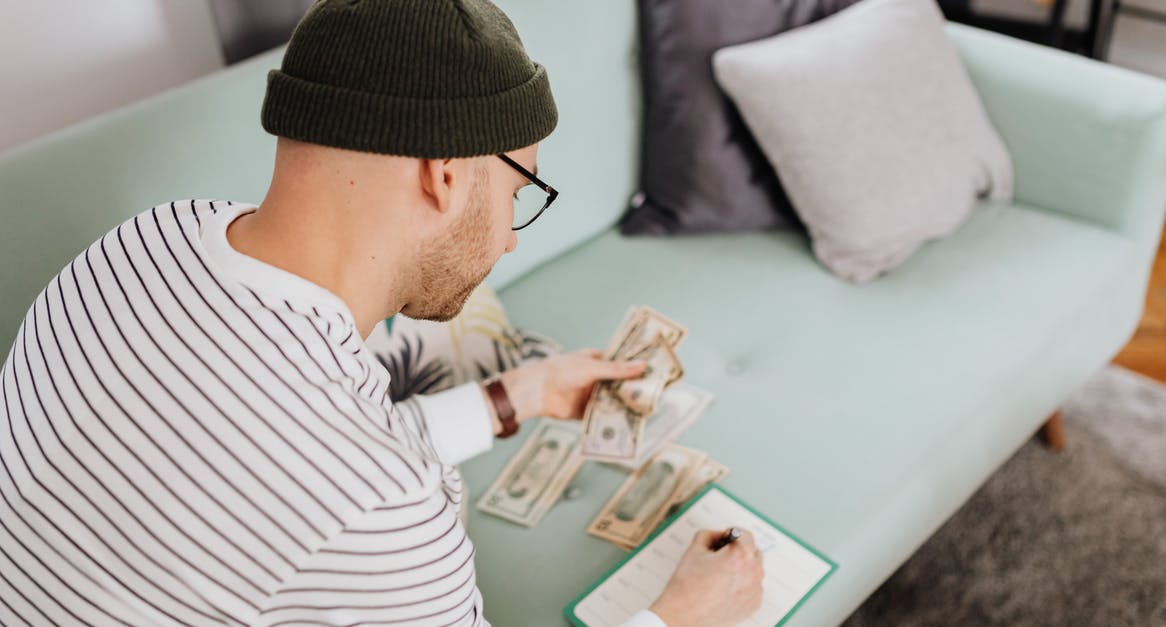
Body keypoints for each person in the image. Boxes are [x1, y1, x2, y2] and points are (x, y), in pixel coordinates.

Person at [0, 0, 764, 625]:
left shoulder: (138, 243)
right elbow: (349, 485)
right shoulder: (384, 512)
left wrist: (513, 396)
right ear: (444, 174)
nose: (504, 238)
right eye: (517, 194)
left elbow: (304, 462)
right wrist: (680, 616)